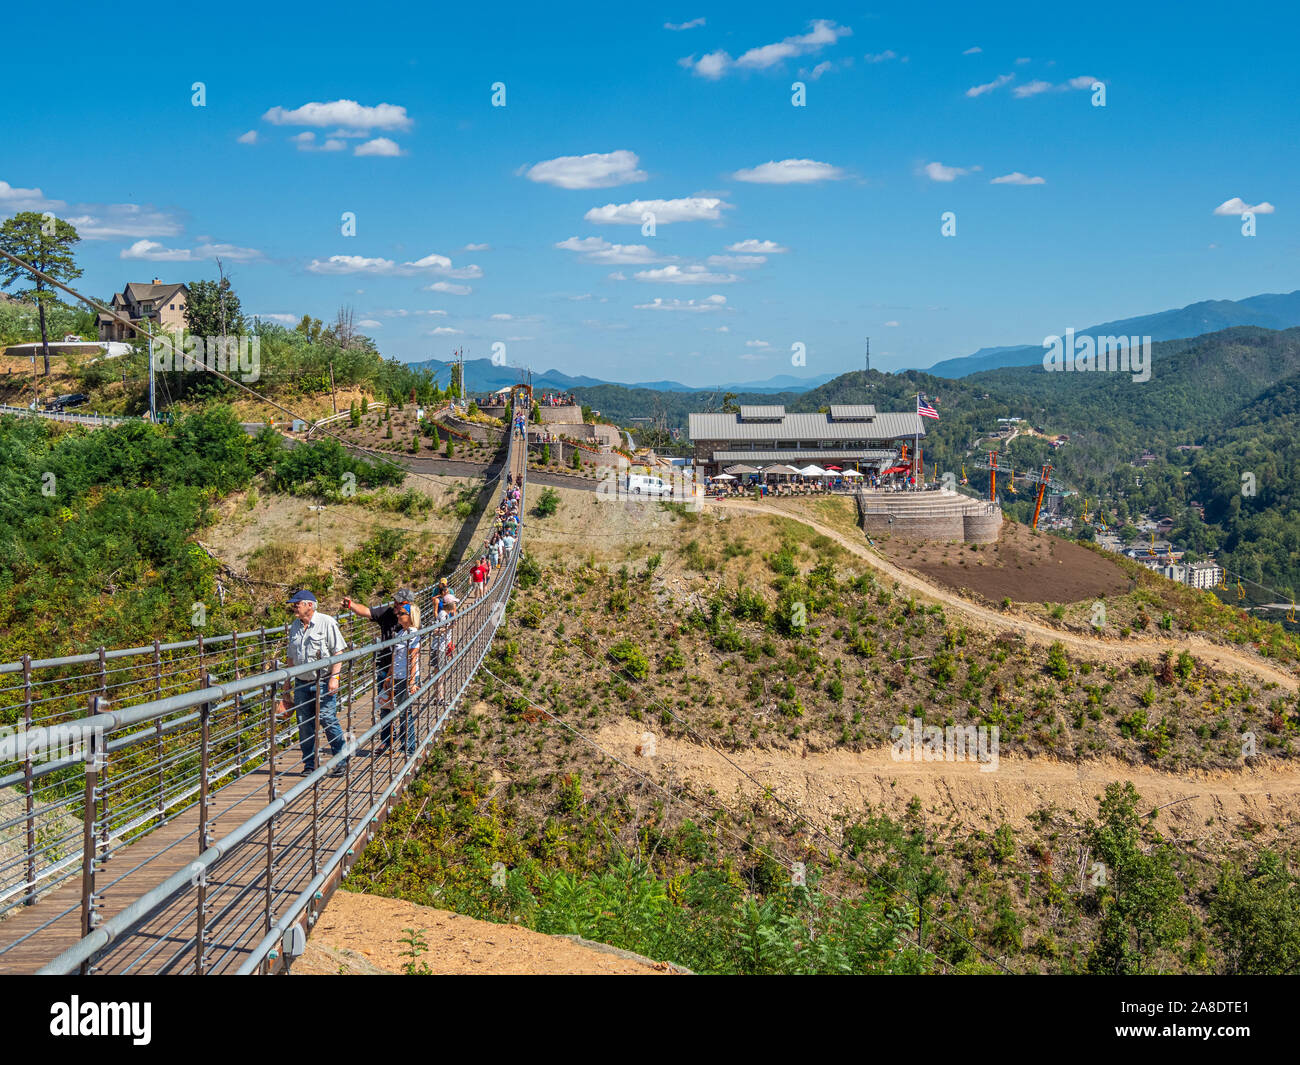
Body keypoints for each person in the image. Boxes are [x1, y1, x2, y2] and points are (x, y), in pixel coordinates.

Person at [278, 590, 348, 777]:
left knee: (327, 718)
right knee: (304, 723)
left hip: (323, 680)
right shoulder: (295, 625)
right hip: (301, 681)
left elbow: (338, 652)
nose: (294, 607)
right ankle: (310, 764)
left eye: (297, 603)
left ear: (309, 605)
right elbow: (291, 656)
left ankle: (341, 759)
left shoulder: (326, 622)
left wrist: (335, 677)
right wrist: (287, 683)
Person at [340, 587, 415, 752]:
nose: (395, 604)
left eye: (399, 602)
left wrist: (413, 677)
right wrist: (351, 605)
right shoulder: (387, 613)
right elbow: (367, 611)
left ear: (408, 605)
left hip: (402, 670)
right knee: (385, 706)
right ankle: (387, 741)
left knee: (404, 707)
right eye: (395, 601)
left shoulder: (411, 624)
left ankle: (408, 745)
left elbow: (415, 654)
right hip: (385, 666)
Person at [385, 602, 421, 755]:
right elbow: (395, 658)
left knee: (405, 711)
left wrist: (412, 681)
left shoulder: (412, 633)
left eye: (401, 614)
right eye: (398, 614)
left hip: (406, 677)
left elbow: (413, 658)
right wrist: (388, 676)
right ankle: (406, 744)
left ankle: (410, 747)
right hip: (398, 676)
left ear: (410, 616)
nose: (398, 616)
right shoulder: (401, 633)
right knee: (402, 711)